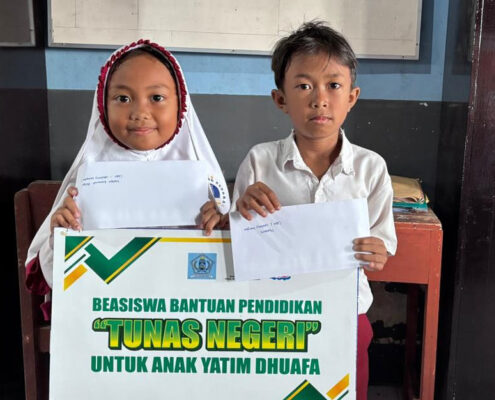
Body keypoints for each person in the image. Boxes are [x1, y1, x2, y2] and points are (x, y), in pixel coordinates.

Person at [200, 21, 397, 399]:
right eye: (304, 86)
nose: (319, 99)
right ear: (280, 99)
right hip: (274, 317)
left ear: (352, 96)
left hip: (345, 314)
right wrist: (237, 213)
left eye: (333, 85)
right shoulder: (259, 161)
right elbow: (241, 242)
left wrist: (377, 252)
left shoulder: (371, 168)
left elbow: (382, 244)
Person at [25, 40, 230, 310]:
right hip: (107, 320)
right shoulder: (84, 184)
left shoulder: (206, 186)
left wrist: (224, 226)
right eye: (123, 99)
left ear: (181, 104)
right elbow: (43, 277)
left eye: (157, 98)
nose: (140, 113)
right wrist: (61, 235)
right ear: (102, 105)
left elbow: (231, 276)